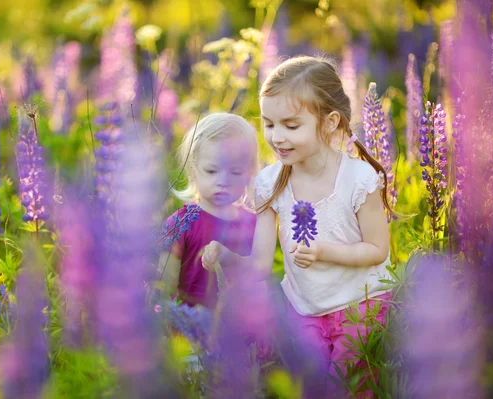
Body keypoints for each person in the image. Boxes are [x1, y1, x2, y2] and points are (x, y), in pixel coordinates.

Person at [202, 56, 395, 397]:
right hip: (305, 310)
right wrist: (225, 255)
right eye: (269, 124)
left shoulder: (359, 179)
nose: (277, 137)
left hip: (359, 306)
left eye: (291, 126)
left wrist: (324, 252)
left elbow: (378, 250)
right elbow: (261, 264)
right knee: (312, 386)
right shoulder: (269, 183)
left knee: (347, 387)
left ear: (330, 122)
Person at [157, 112, 258, 309]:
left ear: (248, 173)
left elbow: (260, 277)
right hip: (190, 331)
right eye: (212, 171)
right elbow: (165, 285)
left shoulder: (253, 223)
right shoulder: (180, 223)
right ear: (194, 170)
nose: (223, 181)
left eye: (235, 172)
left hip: (240, 331)